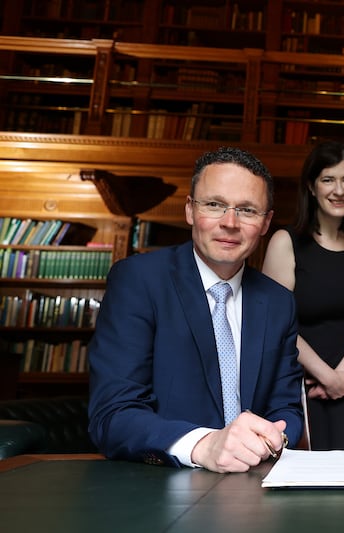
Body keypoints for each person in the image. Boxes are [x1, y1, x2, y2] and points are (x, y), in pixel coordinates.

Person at [88, 146, 304, 472]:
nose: (230, 223)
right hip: (157, 490)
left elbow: (286, 407)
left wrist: (273, 439)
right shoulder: (138, 281)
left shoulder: (278, 302)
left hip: (252, 489)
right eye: (215, 205)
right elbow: (112, 414)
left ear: (266, 223)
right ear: (190, 210)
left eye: (247, 210)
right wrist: (204, 445)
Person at [262, 140, 344, 450]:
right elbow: (275, 322)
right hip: (304, 381)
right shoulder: (285, 242)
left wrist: (342, 374)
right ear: (311, 186)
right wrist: (325, 376)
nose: (339, 190)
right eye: (328, 179)